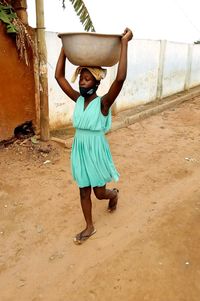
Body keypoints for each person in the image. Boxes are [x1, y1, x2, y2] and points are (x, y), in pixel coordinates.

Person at [55, 27, 133, 244]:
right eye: (81, 78)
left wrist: (124, 44)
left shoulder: (103, 103)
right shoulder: (78, 99)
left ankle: (113, 195)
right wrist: (65, 47)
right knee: (83, 191)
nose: (82, 82)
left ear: (96, 83)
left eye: (87, 79)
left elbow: (120, 79)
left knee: (99, 192)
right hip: (80, 148)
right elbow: (59, 76)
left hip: (96, 149)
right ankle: (89, 227)